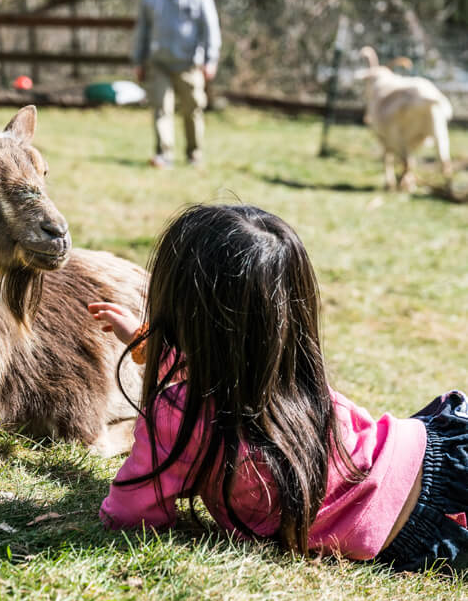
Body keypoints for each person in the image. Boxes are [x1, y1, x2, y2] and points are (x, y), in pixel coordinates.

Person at [88, 204, 468, 572]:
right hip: (436, 453)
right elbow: (224, 373)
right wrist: (146, 344)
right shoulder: (287, 374)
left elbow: (130, 514)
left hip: (427, 524)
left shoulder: (176, 415)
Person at [132, 0, 221, 169]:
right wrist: (138, 60)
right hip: (158, 61)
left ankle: (194, 154)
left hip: (189, 63)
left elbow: (210, 27)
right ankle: (164, 155)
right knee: (161, 108)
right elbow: (142, 28)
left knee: (192, 110)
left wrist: (211, 59)